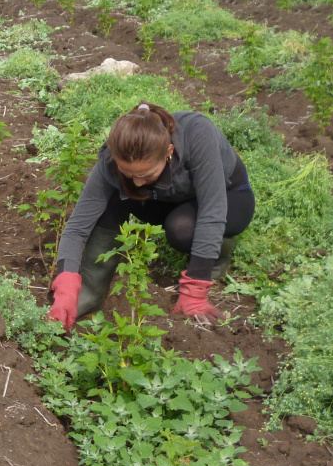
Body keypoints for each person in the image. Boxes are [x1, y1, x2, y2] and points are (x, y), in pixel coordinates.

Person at [47, 103, 256, 329]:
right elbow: (78, 226)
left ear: (169, 152)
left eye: (145, 174)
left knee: (182, 228)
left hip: (228, 198)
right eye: (128, 173)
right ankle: (90, 294)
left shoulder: (197, 134)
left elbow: (212, 212)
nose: (136, 181)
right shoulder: (112, 156)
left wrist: (195, 292)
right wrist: (67, 283)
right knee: (111, 200)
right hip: (164, 198)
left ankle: (217, 255)